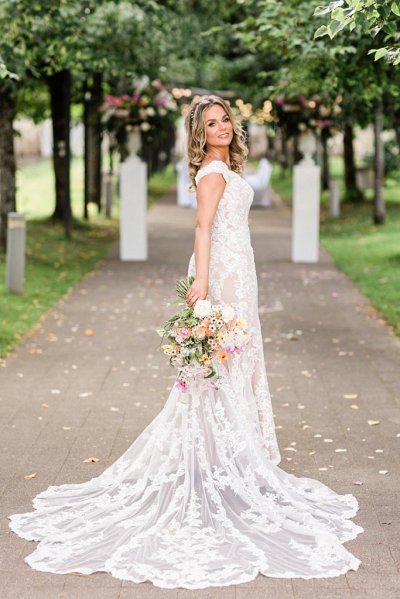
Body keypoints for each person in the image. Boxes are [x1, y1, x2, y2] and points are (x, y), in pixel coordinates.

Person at [8, 95, 364, 590]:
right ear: (198, 134)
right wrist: (201, 286)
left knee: (236, 362)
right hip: (221, 276)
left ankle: (234, 457)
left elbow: (227, 227)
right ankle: (222, 461)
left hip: (240, 273)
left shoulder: (224, 166)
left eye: (224, 121)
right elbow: (203, 227)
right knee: (220, 366)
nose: (220, 128)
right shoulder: (212, 173)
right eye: (210, 124)